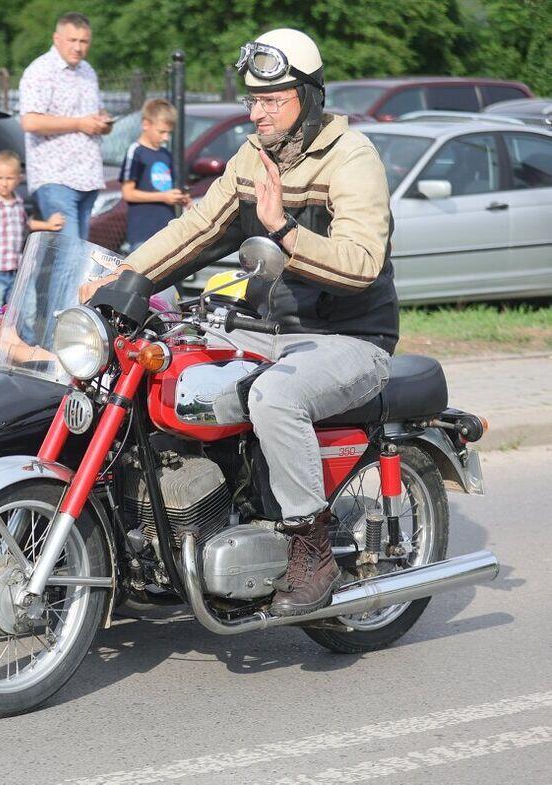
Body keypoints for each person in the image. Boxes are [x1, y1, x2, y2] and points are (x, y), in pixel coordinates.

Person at [81, 28, 398, 617]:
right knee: (162, 367)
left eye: (272, 100)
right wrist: (121, 276)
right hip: (262, 329)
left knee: (276, 397)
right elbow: (198, 228)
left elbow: (361, 263)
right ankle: (166, 525)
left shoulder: (352, 158)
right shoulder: (253, 158)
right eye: (253, 100)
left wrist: (283, 231)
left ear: (309, 97)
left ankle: (311, 547)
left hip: (349, 337)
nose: (257, 113)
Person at [18, 11, 111, 241]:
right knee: (67, 253)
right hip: (56, 176)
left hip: (88, 175)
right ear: (57, 38)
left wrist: (103, 123)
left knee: (78, 253)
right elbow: (31, 121)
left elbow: (97, 112)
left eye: (84, 41)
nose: (78, 47)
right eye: (72, 40)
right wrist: (80, 124)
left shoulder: (87, 70)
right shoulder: (40, 71)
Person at [0, 149, 65, 309]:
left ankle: (22, 328)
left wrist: (48, 225)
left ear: (19, 179)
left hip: (18, 270)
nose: (4, 183)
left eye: (9, 178)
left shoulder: (18, 202)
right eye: (0, 178)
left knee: (23, 310)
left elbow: (25, 224)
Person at [119, 98, 191, 253]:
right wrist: (163, 197)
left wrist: (182, 198)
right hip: (142, 233)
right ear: (146, 124)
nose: (166, 138)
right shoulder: (136, 152)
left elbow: (169, 189)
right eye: (161, 132)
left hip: (166, 232)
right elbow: (128, 193)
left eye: (169, 133)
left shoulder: (165, 154)